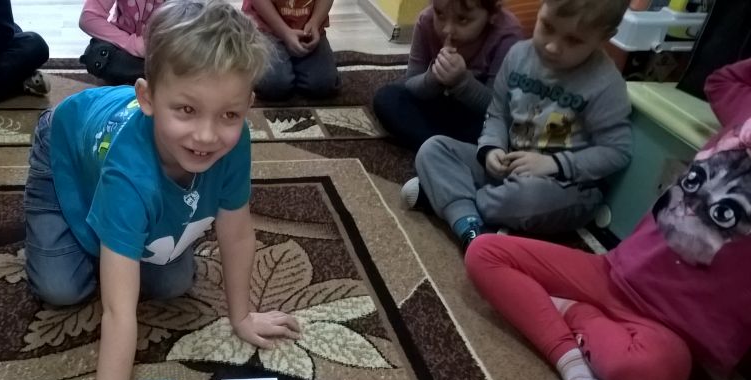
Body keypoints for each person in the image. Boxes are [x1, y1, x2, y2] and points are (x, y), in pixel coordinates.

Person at [22, 0, 300, 380]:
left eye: (229, 115)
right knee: (61, 289)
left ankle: (114, 236)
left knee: (172, 284)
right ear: (148, 98)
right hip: (64, 144)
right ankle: (95, 225)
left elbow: (237, 232)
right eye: (186, 110)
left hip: (137, 173)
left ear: (247, 105)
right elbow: (118, 313)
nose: (207, 136)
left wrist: (242, 315)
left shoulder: (234, 141)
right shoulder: (129, 174)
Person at [464, 57, 751, 380]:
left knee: (640, 375)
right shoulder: (744, 109)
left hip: (675, 328)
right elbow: (721, 79)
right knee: (484, 252)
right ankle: (575, 341)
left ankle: (572, 316)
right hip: (613, 272)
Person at [407, 0, 632, 251]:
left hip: (565, 186)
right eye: (547, 26)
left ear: (604, 37)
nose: (552, 46)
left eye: (574, 40)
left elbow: (617, 151)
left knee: (526, 197)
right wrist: (492, 148)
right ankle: (469, 225)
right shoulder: (518, 55)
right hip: (508, 164)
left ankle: (452, 200)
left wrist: (554, 164)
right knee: (433, 148)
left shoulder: (605, 84)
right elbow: (497, 113)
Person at [372, 0, 523, 152]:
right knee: (387, 98)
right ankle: (446, 147)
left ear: (492, 15)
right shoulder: (426, 20)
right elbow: (411, 83)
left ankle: (437, 145)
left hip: (478, 115)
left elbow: (498, 107)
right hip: (437, 104)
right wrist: (434, 76)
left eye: (462, 19)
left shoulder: (507, 35)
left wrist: (461, 81)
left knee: (506, 129)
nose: (447, 29)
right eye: (439, 14)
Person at [242, 0, 339, 100]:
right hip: (265, 26)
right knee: (274, 85)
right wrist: (284, 32)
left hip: (307, 26)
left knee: (323, 85)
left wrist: (315, 22)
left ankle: (289, 65)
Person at [78, 0, 163, 85]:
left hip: (161, 50)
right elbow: (88, 18)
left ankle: (144, 79)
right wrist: (132, 44)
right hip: (122, 46)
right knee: (97, 57)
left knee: (167, 62)